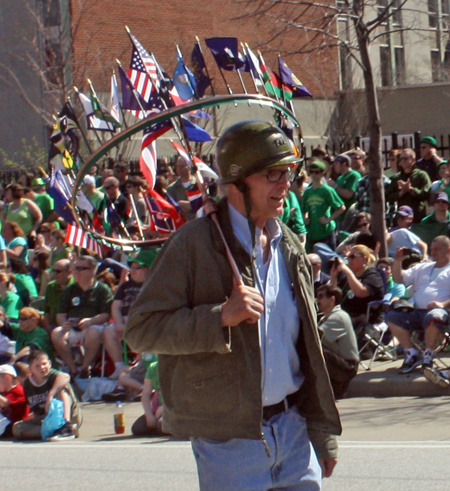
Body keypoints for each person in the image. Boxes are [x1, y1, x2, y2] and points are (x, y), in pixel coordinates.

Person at [126, 120, 341, 491]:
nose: (285, 184)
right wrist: (220, 317)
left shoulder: (287, 244)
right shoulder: (192, 244)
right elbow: (141, 330)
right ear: (238, 182)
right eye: (273, 174)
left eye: (288, 173)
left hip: (294, 430)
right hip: (229, 441)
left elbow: (306, 348)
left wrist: (321, 432)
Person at [386, 236, 450, 374]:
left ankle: (428, 355)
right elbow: (399, 278)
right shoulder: (422, 267)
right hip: (418, 312)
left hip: (442, 313)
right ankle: (411, 353)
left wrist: (443, 304)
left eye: (437, 249)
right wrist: (398, 260)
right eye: (432, 249)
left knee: (435, 315)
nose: (433, 252)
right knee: (392, 316)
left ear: (448, 250)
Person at [51, 255, 113, 379]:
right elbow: (60, 315)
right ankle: (73, 369)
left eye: (81, 268)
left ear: (92, 270)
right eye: (75, 268)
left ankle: (85, 368)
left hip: (94, 326)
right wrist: (64, 324)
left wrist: (91, 321)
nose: (76, 272)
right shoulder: (70, 290)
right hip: (73, 327)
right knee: (56, 333)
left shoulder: (102, 290)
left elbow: (106, 315)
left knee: (93, 333)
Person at [103, 250, 155, 380]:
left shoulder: (152, 285)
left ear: (148, 269)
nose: (133, 270)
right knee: (108, 331)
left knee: (142, 329)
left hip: (142, 321)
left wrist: (129, 325)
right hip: (124, 321)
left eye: (138, 268)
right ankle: (119, 366)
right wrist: (120, 323)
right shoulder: (125, 286)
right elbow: (115, 306)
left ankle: (143, 365)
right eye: (131, 267)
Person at [12, 349, 81, 441]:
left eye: (44, 364)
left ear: (49, 363)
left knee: (61, 387)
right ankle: (51, 431)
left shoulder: (53, 375)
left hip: (69, 415)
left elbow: (65, 376)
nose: (42, 368)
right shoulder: (28, 384)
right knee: (17, 428)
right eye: (37, 366)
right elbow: (34, 410)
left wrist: (50, 394)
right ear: (30, 369)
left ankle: (66, 427)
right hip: (46, 418)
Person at [316, 285, 359, 399]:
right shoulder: (325, 318)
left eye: (320, 296)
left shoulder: (338, 317)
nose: (317, 300)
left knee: (314, 351)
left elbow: (314, 338)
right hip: (338, 363)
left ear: (332, 299)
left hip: (347, 367)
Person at [330, 245, 384, 330]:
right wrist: (333, 276)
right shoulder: (351, 276)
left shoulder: (373, 275)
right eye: (348, 257)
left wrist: (347, 272)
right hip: (345, 314)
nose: (349, 260)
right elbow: (334, 294)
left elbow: (361, 292)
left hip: (364, 316)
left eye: (352, 257)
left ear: (364, 259)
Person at [302, 159, 345, 252]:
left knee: (328, 260)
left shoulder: (327, 190)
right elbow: (303, 209)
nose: (314, 175)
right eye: (311, 172)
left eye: (317, 172)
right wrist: (305, 218)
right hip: (312, 231)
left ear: (323, 173)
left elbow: (341, 208)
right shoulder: (307, 192)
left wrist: (328, 220)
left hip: (326, 231)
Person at [389, 148, 432, 223]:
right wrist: (401, 192)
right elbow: (388, 197)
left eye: (405, 158)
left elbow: (427, 193)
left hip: (418, 218)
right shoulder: (396, 178)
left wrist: (411, 189)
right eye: (401, 158)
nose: (402, 161)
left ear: (413, 159)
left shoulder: (421, 175)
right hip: (401, 219)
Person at [131, 358, 165, 437]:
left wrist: (165, 408)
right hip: (156, 408)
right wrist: (149, 414)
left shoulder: (176, 367)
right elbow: (146, 394)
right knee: (138, 428)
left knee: (161, 425)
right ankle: (158, 426)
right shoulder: (153, 367)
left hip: (172, 408)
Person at [327, 154, 361, 218]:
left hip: (349, 214)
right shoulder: (340, 178)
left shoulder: (354, 175)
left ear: (344, 163)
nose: (334, 166)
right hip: (339, 215)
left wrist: (334, 186)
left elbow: (348, 194)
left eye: (336, 163)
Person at [43, 259, 74, 330]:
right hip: (53, 326)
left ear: (69, 272)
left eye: (58, 271)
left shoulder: (76, 286)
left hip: (72, 326)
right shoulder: (51, 287)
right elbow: (47, 311)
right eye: (53, 271)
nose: (54, 274)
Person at [0, 364, 29, 438]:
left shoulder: (18, 390)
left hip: (15, 426)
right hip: (6, 426)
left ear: (7, 378)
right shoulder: (5, 393)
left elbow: (5, 403)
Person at [166, 157, 199, 221]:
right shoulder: (171, 189)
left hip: (199, 222)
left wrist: (187, 204)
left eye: (182, 166)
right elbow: (171, 210)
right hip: (181, 225)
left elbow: (204, 204)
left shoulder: (198, 184)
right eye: (177, 166)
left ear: (189, 167)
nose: (179, 169)